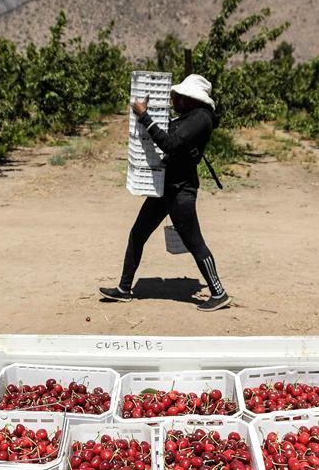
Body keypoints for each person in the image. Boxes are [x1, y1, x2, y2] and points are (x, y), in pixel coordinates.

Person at [99, 74, 231, 312]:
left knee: (195, 243)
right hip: (166, 187)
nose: (173, 99)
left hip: (181, 191)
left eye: (177, 96)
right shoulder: (189, 117)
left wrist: (144, 116)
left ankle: (219, 293)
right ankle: (124, 288)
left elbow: (170, 144)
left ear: (190, 99)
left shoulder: (201, 118)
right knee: (137, 233)